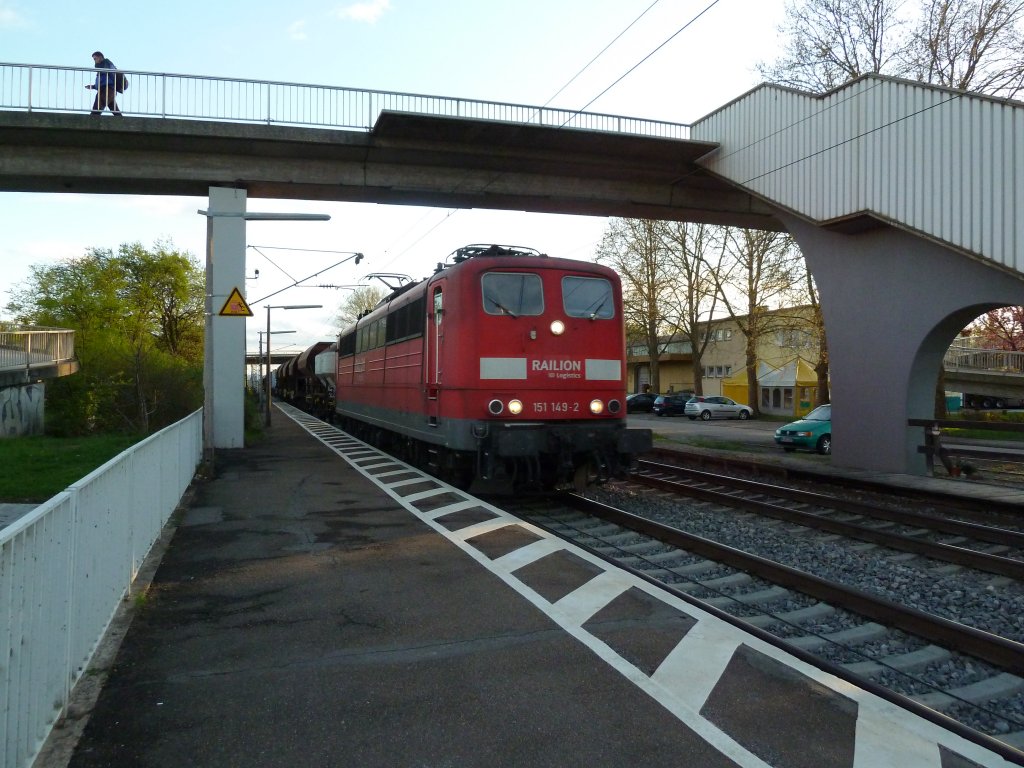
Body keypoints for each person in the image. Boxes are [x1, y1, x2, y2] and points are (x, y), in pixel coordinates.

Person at [85, 51, 122, 116]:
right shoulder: (102, 69)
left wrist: (97, 66)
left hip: (108, 90)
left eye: (95, 59)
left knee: (97, 108)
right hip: (106, 90)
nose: (94, 61)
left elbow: (109, 77)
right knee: (114, 110)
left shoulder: (106, 63)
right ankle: (122, 121)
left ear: (100, 57)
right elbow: (103, 81)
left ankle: (91, 121)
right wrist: (93, 86)